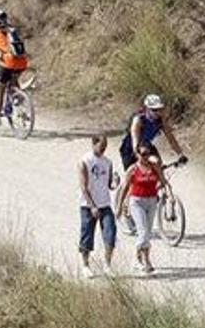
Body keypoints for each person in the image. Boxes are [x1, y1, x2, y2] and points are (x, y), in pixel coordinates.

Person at [116, 144, 172, 274]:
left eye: (147, 154)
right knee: (143, 231)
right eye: (143, 154)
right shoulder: (133, 169)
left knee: (148, 231)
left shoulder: (154, 167)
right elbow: (125, 188)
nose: (145, 157)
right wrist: (119, 206)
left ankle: (146, 259)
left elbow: (163, 181)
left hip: (151, 201)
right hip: (137, 202)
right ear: (137, 155)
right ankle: (137, 258)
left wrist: (165, 192)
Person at [78, 135, 117, 278]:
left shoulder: (108, 162)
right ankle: (85, 265)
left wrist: (115, 183)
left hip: (105, 204)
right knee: (87, 235)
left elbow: (109, 184)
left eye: (105, 146)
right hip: (88, 205)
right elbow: (83, 187)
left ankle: (107, 265)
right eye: (101, 146)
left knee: (110, 233)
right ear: (93, 143)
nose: (104, 149)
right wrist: (91, 205)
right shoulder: (85, 161)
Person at [118, 94, 187, 170]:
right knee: (133, 172)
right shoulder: (138, 120)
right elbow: (135, 140)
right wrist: (139, 155)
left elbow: (171, 139)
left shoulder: (160, 121)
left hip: (146, 145)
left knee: (158, 164)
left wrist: (180, 154)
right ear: (146, 108)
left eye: (159, 109)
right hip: (129, 149)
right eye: (154, 110)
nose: (157, 112)